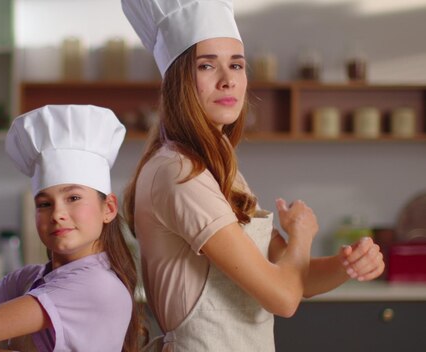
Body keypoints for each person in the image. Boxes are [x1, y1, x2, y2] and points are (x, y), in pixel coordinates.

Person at [121, 0, 385, 350]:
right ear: (179, 81)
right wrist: (302, 234)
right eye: (206, 66)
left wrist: (346, 265)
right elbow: (283, 297)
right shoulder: (180, 173)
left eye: (237, 64)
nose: (228, 80)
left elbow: (288, 274)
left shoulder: (218, 167)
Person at [0, 105, 143, 352]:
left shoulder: (97, 284)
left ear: (109, 208)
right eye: (44, 203)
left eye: (73, 198)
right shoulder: (29, 278)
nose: (57, 214)